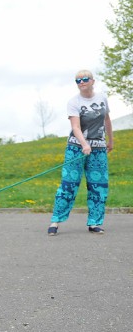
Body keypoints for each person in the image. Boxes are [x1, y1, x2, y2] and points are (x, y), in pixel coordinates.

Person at [47, 70, 114, 236]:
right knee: (69, 184)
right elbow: (75, 127)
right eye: (78, 80)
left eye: (85, 79)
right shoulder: (73, 102)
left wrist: (110, 140)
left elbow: (106, 120)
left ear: (93, 81)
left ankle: (95, 223)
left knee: (98, 186)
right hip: (76, 147)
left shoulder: (102, 98)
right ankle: (55, 221)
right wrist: (84, 144)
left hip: (98, 149)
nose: (82, 82)